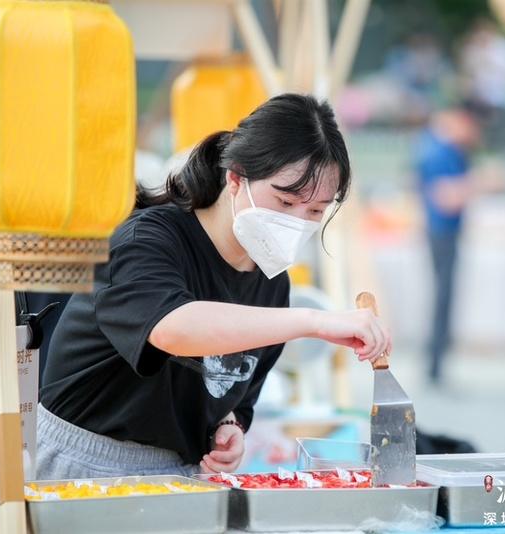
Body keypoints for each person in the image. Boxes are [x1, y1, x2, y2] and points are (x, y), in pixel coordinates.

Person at [37, 94, 391, 480]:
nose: (298, 221)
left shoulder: (273, 284)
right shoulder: (147, 240)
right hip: (84, 464)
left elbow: (233, 394)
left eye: (315, 211)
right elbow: (174, 329)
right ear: (236, 177)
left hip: (183, 475)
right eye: (286, 200)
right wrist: (314, 321)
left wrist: (228, 427)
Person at [415, 108, 480, 384]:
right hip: (441, 231)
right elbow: (445, 197)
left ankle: (437, 360)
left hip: (445, 231)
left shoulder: (446, 149)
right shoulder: (438, 151)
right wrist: (481, 183)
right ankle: (434, 363)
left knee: (444, 298)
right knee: (443, 298)